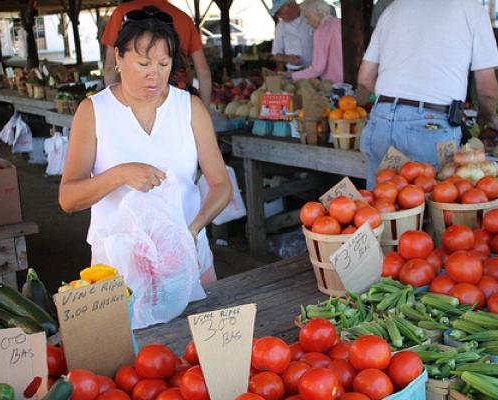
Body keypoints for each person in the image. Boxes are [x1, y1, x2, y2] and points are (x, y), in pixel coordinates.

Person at [59, 7, 232, 289]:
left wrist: (193, 230)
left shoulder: (189, 107)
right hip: (117, 270)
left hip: (186, 259)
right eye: (142, 65)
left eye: (163, 65)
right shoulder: (94, 111)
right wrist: (120, 174)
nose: (154, 76)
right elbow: (68, 199)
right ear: (118, 56)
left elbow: (221, 185)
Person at [357, 0, 498, 189]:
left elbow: (365, 79)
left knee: (379, 205)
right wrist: (489, 118)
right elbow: (487, 90)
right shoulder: (471, 9)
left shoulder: (393, 9)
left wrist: (397, 103)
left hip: (381, 120)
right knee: (432, 209)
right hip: (430, 126)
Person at [101, 0, 212, 108]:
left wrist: (114, 107)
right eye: (143, 63)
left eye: (163, 64)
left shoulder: (121, 13)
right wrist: (204, 110)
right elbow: (204, 72)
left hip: (132, 99)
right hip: (177, 99)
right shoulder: (184, 18)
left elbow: (110, 67)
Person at [288, 0, 343, 83]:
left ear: (319, 13)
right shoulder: (339, 22)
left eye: (307, 17)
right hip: (349, 80)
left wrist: (292, 75)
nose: (306, 22)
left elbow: (317, 69)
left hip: (333, 83)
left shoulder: (321, 31)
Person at [270, 0, 314, 73]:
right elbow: (276, 54)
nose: (278, 16)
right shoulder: (281, 26)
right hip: (293, 72)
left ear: (288, 6)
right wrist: (287, 58)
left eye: (279, 12)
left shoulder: (311, 17)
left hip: (316, 71)